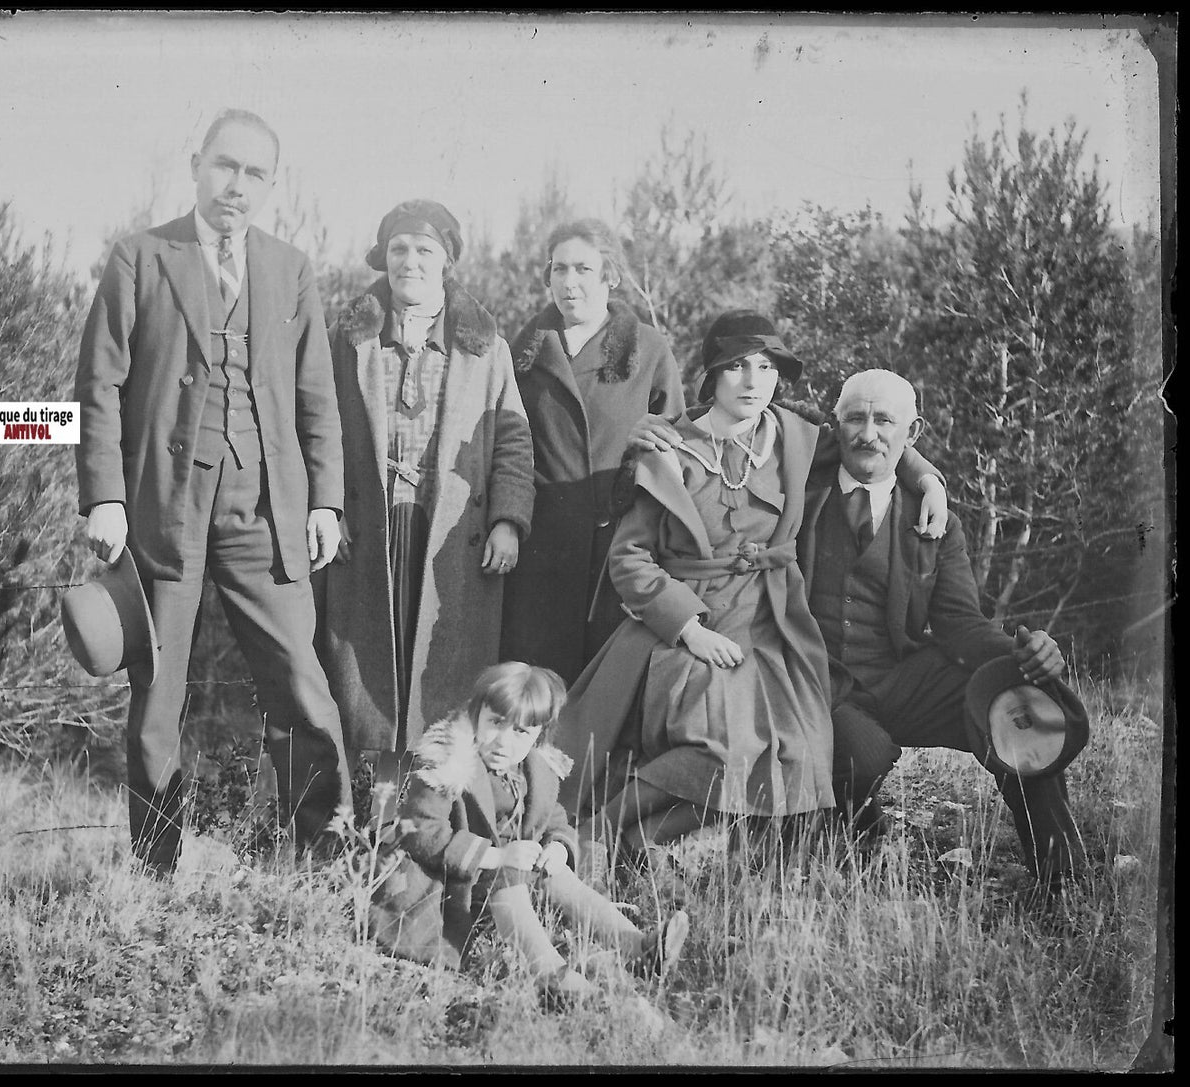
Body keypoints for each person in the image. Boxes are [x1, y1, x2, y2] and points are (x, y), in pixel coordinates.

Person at [556, 311, 948, 872]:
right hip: (689, 630)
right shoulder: (670, 449)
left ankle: (634, 846)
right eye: (736, 366)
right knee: (722, 745)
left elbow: (877, 439)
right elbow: (628, 557)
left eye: (765, 367)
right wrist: (688, 628)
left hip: (773, 625)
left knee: (799, 753)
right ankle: (598, 830)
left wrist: (928, 478)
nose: (751, 380)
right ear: (712, 374)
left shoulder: (796, 436)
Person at [75, 108, 352, 876]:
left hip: (265, 513)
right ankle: (155, 871)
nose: (237, 185)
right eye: (225, 166)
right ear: (197, 165)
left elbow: (315, 393)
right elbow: (100, 383)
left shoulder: (289, 267)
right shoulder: (140, 256)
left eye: (254, 173)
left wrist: (324, 500)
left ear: (271, 185)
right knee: (157, 699)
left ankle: (325, 863)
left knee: (300, 683)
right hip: (165, 509)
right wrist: (104, 495)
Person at [799, 368, 1086, 886]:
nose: (868, 433)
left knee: (1019, 702)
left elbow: (958, 624)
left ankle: (1060, 878)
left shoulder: (937, 522)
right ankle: (858, 834)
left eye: (885, 420)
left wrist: (1026, 657)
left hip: (901, 678)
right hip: (817, 681)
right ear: (834, 425)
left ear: (912, 434)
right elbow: (755, 420)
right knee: (861, 757)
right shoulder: (798, 486)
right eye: (855, 418)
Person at [318, 199, 535, 787]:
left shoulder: (484, 349)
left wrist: (508, 521)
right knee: (367, 681)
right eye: (398, 250)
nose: (409, 262)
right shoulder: (349, 339)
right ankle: (367, 820)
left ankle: (434, 819)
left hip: (450, 543)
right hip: (368, 533)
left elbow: (512, 439)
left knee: (440, 679)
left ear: (447, 262)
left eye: (424, 251)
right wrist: (327, 507)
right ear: (383, 259)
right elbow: (318, 425)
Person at [368, 662, 690, 996]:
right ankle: (550, 975)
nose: (504, 742)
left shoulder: (533, 771)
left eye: (521, 732)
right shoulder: (451, 763)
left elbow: (554, 819)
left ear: (539, 734)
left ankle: (639, 949)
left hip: (518, 871)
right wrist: (495, 856)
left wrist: (558, 848)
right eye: (495, 723)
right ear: (476, 714)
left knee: (561, 877)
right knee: (507, 879)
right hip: (458, 880)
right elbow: (419, 830)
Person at [501, 219, 686, 686]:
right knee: (538, 686)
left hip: (619, 549)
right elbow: (505, 447)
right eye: (559, 269)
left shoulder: (648, 348)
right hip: (542, 550)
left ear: (611, 276)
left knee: (611, 686)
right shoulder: (521, 353)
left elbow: (676, 447)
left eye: (584, 268)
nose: (570, 282)